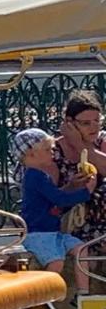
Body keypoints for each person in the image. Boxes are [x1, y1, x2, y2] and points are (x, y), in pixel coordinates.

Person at [13, 127, 93, 299]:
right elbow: (59, 199)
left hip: (52, 232)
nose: (53, 154)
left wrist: (72, 185)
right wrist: (87, 192)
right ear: (31, 154)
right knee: (56, 262)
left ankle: (83, 294)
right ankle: (45, 298)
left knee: (80, 248)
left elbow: (54, 198)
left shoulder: (41, 175)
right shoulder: (34, 176)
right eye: (47, 150)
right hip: (39, 234)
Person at [54, 90, 106, 242]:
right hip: (69, 216)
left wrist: (80, 145)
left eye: (97, 121)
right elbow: (46, 195)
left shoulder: (101, 141)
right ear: (69, 122)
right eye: (86, 123)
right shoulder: (54, 150)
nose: (94, 127)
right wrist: (71, 187)